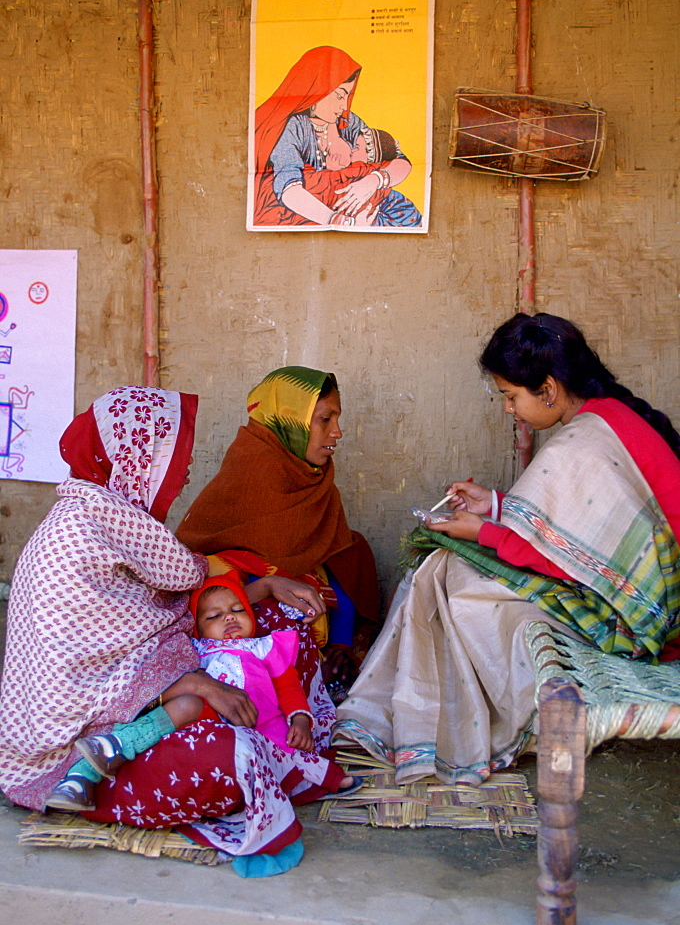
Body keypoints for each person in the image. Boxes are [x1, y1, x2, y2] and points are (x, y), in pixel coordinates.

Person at [0, 386, 343, 873]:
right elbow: (185, 580)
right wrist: (203, 681)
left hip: (107, 708)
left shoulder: (84, 509)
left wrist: (260, 590)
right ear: (138, 458)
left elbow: (159, 611)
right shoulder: (106, 516)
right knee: (228, 760)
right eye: (172, 459)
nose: (182, 474)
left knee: (267, 639)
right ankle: (92, 780)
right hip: (65, 747)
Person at [334, 313, 680, 787]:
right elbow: (581, 533)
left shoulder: (583, 441)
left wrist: (482, 531)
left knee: (450, 581)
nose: (508, 409)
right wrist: (494, 507)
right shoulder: (607, 418)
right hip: (651, 596)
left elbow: (569, 554)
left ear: (550, 389)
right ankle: (430, 716)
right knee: (448, 570)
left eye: (511, 396)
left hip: (649, 618)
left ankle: (446, 725)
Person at [175, 366, 381, 697]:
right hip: (243, 623)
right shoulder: (255, 468)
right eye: (325, 420)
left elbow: (332, 558)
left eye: (337, 419)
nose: (337, 432)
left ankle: (332, 662)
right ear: (289, 421)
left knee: (352, 550)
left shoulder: (313, 478)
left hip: (306, 609)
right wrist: (270, 583)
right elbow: (204, 576)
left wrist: (341, 644)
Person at [73, 573, 362, 800]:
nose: (229, 617)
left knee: (294, 749)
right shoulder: (195, 650)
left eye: (238, 609)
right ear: (197, 628)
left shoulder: (262, 647)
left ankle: (327, 779)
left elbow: (288, 687)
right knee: (186, 706)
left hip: (263, 721)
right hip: (210, 720)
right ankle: (119, 743)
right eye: (213, 616)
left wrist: (300, 719)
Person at [253, 45, 422, 228]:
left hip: (360, 207)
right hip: (313, 213)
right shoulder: (293, 127)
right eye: (340, 96)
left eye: (347, 97)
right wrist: (344, 222)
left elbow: (400, 161)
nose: (344, 106)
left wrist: (372, 181)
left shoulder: (348, 122)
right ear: (316, 88)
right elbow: (289, 189)